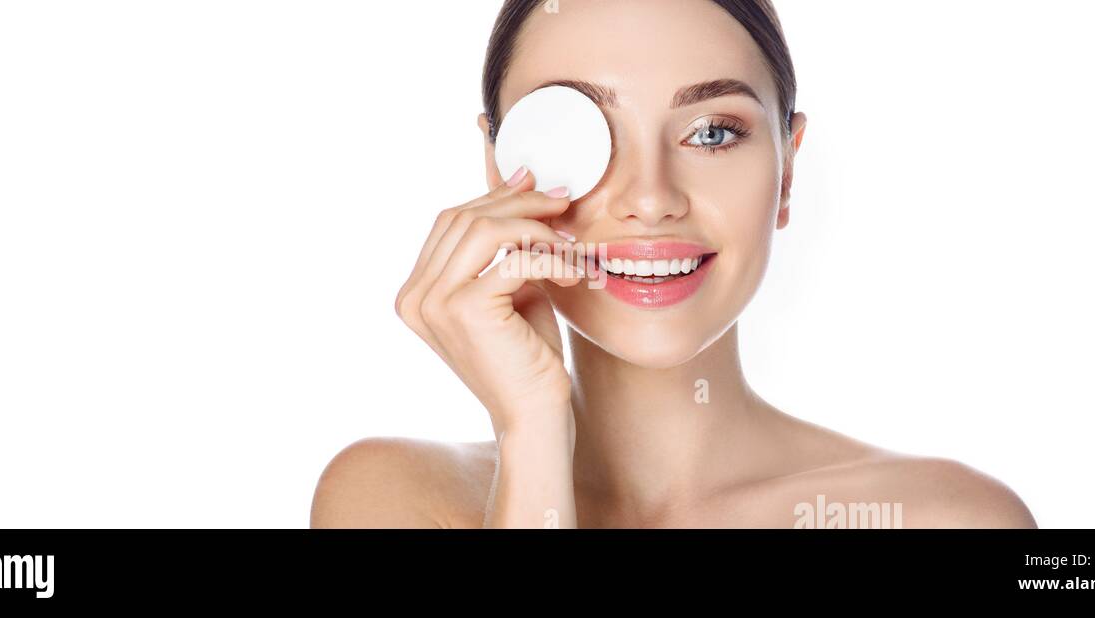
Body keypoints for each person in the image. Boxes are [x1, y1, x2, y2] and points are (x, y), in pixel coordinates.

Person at [311, 0, 1037, 529]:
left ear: (787, 173)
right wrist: (531, 435)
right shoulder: (392, 501)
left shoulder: (944, 520)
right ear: (497, 166)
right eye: (581, 132)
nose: (652, 199)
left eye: (713, 132)